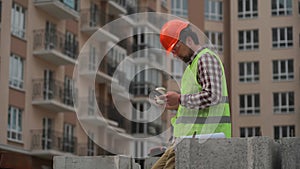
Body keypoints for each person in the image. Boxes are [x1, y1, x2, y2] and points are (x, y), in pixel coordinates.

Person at [151, 19, 231, 169]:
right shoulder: (191, 67)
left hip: (204, 138)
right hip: (186, 139)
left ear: (188, 39)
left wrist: (180, 98)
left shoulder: (206, 59)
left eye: (175, 48)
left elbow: (213, 95)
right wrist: (175, 104)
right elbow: (196, 105)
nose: (175, 55)